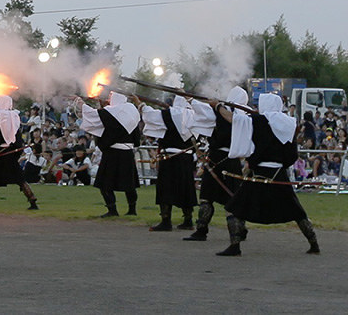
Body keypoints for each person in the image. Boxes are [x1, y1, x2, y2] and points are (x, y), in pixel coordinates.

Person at [212, 93, 319, 256]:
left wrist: (218, 106)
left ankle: (235, 246)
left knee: (235, 208)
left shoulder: (258, 121)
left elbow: (233, 119)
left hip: (260, 172)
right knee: (297, 211)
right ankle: (314, 243)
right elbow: (291, 154)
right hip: (279, 172)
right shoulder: (289, 123)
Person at [184, 86, 249, 242]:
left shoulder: (223, 111)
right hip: (230, 160)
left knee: (209, 197)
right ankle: (238, 230)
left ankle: (203, 231)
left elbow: (203, 110)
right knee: (219, 197)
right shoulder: (245, 116)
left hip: (218, 158)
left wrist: (190, 99)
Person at [137, 96, 197, 230]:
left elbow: (150, 115)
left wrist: (139, 104)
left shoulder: (169, 114)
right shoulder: (195, 115)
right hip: (186, 158)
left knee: (165, 189)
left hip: (170, 157)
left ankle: (166, 221)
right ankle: (188, 220)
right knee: (186, 189)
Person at [80, 92, 141, 217]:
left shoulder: (109, 113)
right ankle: (132, 209)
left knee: (105, 183)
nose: (108, 100)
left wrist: (81, 103)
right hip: (127, 153)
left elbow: (94, 116)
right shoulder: (132, 112)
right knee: (129, 185)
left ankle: (112, 210)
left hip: (113, 153)